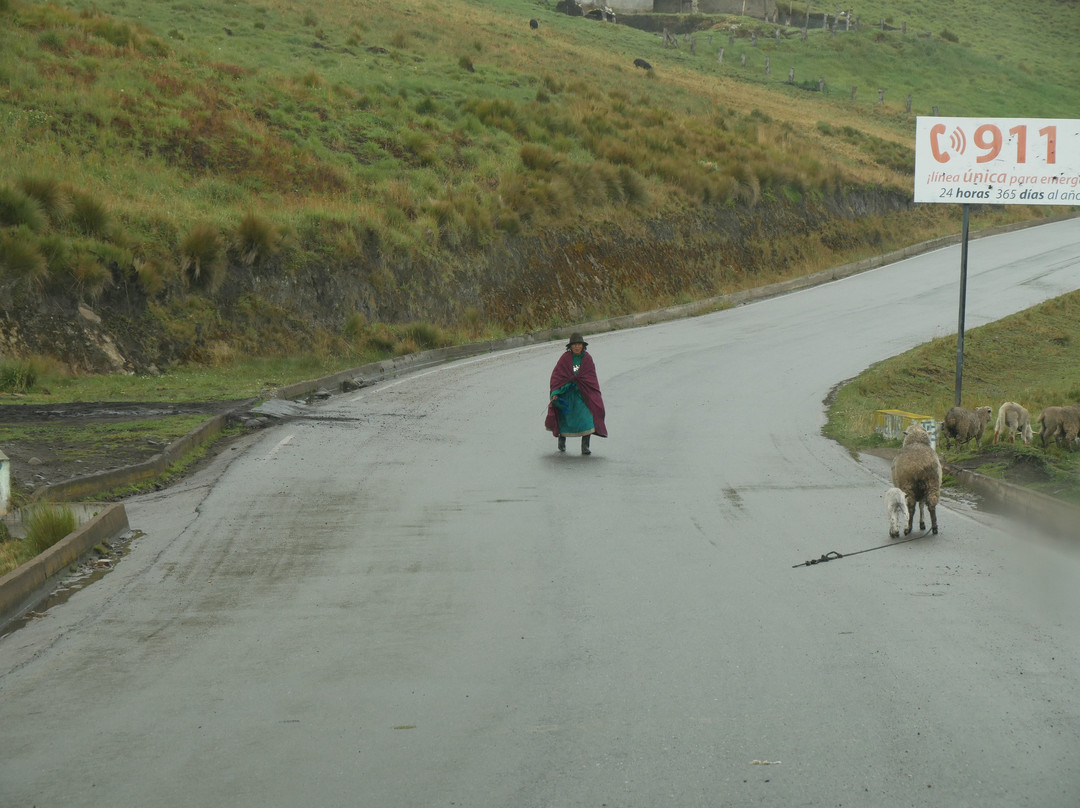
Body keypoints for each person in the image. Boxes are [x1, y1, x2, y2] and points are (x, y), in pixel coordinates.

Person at [545, 332, 607, 454]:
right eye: (574, 345)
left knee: (587, 417)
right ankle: (561, 440)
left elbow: (591, 378)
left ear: (583, 346)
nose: (577, 347)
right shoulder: (565, 359)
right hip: (566, 394)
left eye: (579, 344)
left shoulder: (587, 359)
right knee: (564, 418)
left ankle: (585, 446)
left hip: (582, 394)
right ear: (570, 347)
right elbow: (557, 377)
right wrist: (556, 392)